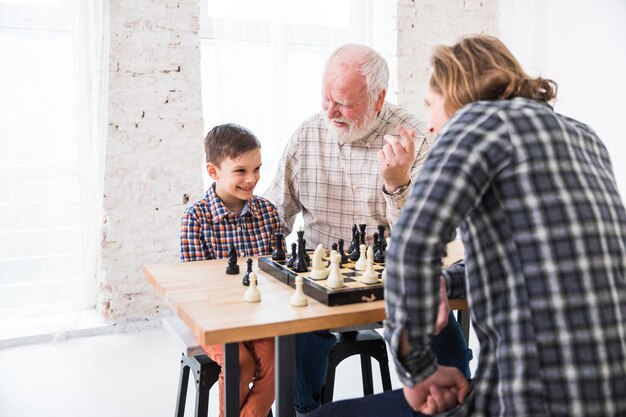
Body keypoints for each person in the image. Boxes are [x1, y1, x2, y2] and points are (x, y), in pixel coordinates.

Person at [311, 34, 626, 417]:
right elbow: (530, 261)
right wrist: (446, 282)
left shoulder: (474, 123)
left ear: (455, 91)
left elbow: (411, 249)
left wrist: (419, 372)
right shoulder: (585, 138)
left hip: (525, 399)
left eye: (430, 105)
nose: (429, 125)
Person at [264, 43, 472, 416]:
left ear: (379, 99)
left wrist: (398, 186)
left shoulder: (418, 140)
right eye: (326, 97)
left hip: (396, 284)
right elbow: (272, 215)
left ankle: (455, 409)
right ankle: (304, 412)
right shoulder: (307, 135)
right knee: (294, 337)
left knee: (451, 350)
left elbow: (433, 237)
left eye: (343, 102)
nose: (330, 111)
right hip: (317, 282)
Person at [180, 123, 284, 417]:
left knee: (278, 360)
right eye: (240, 171)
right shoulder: (196, 218)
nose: (252, 179)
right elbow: (197, 290)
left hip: (258, 313)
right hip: (214, 317)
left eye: (257, 168)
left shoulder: (267, 212)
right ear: (213, 171)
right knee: (240, 362)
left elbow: (279, 272)